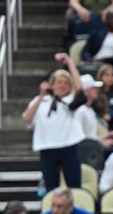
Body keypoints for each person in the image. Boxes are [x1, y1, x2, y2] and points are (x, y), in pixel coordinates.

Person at [23, 56, 89, 192]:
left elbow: (80, 90)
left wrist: (70, 62)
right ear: (52, 84)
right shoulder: (40, 101)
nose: (62, 85)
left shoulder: (70, 101)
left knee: (75, 187)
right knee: (51, 189)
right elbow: (26, 118)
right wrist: (41, 95)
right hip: (47, 149)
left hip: (69, 147)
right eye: (59, 82)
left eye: (66, 83)